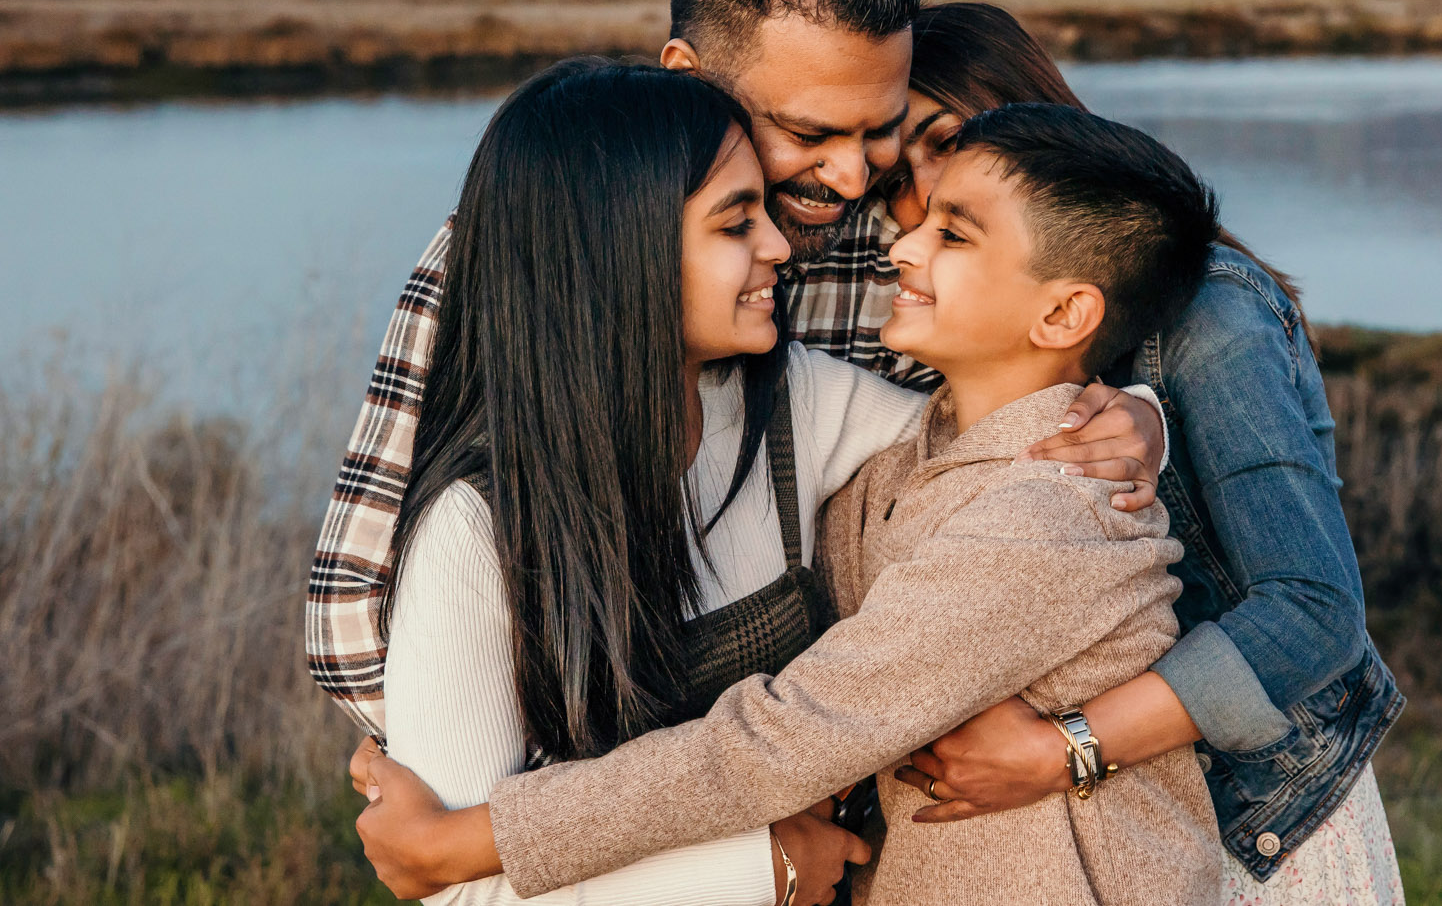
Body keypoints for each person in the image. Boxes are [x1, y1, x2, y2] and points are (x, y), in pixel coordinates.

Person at [306, 0, 1168, 902]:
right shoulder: (521, 258)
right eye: (805, 133)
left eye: (877, 128)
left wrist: (1130, 415)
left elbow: (984, 446)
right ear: (690, 78)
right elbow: (354, 616)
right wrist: (475, 738)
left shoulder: (827, 343)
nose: (852, 180)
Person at [356, 105, 1230, 905]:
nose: (902, 247)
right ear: (619, 253)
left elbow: (792, 732)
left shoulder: (1035, 507)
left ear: (1064, 309)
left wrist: (473, 837)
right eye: (737, 222)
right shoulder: (912, 453)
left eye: (952, 236)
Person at [885, 3, 1406, 903]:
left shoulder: (1211, 315)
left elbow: (1315, 611)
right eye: (896, 171)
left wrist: (1066, 750)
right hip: (1124, 835)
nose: (923, 192)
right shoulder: (955, 312)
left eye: (946, 139)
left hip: (1261, 826)